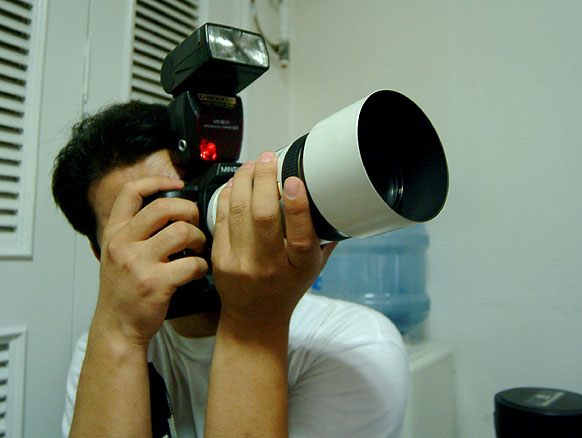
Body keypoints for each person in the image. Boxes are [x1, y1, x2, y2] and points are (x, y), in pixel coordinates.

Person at [52, 101, 408, 438]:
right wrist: (118, 331)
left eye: (196, 196)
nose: (187, 227)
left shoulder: (355, 346)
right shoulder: (105, 348)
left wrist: (256, 318)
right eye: (151, 216)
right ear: (103, 254)